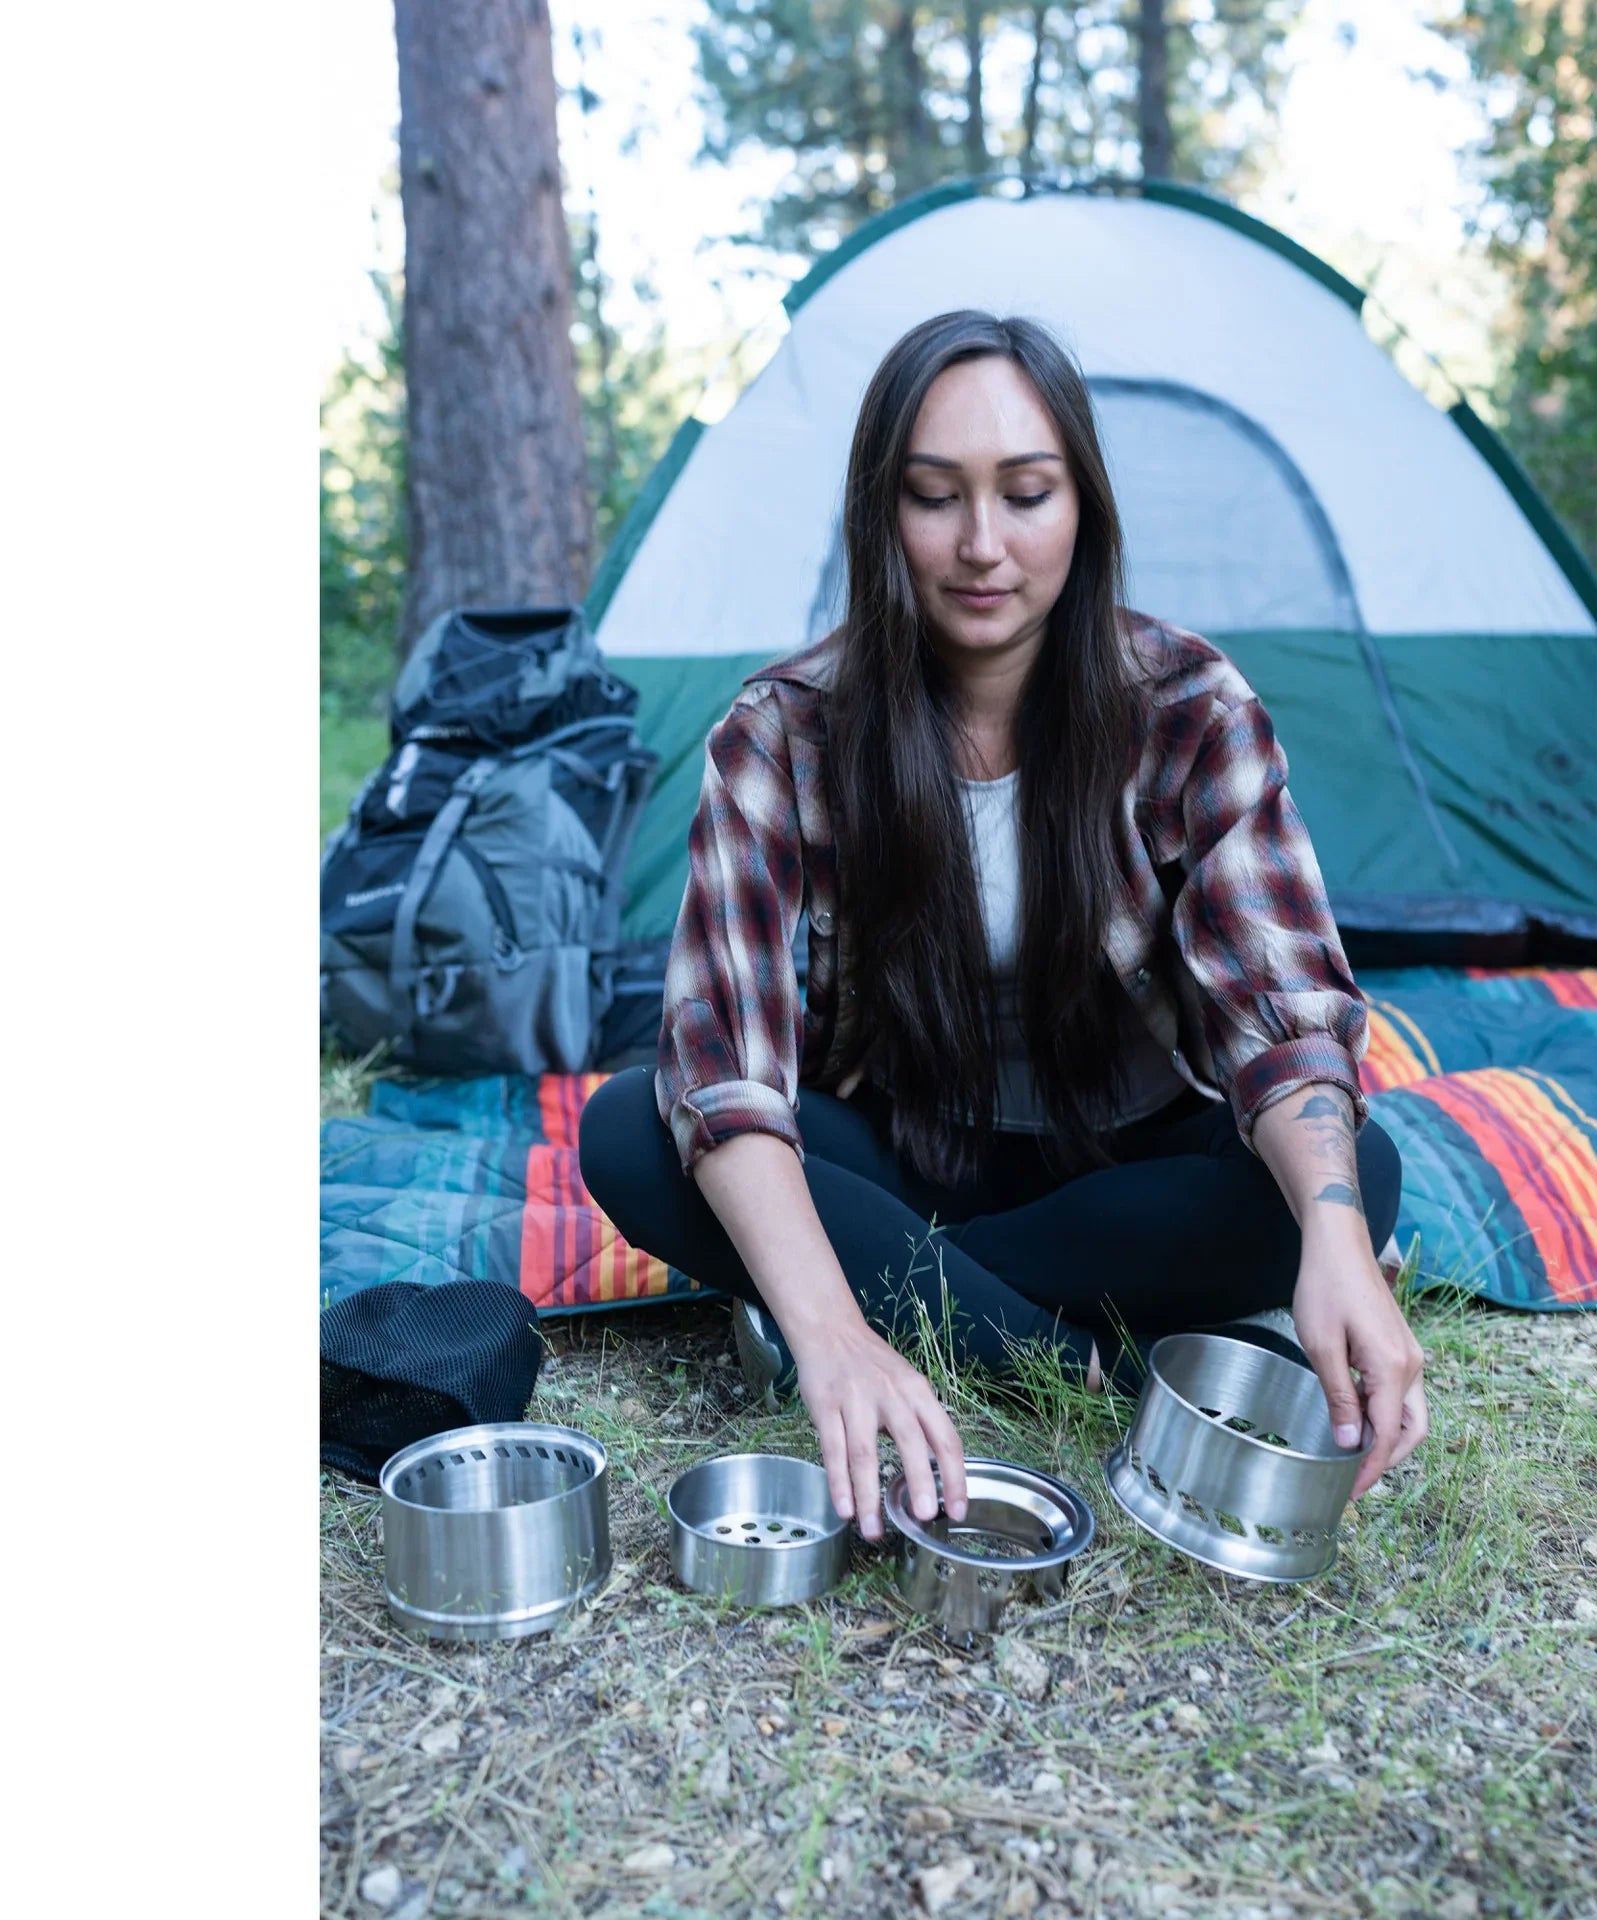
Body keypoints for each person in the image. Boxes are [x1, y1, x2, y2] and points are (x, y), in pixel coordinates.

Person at [579, 310, 1427, 1548]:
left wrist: (1340, 1243)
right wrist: (831, 1335)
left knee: (1359, 1178)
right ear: (885, 515)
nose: (983, 546)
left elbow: (1284, 1015)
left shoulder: (1193, 709)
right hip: (901, 1142)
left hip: (1124, 1155)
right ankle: (1074, 1361)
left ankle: (884, 1281)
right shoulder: (782, 731)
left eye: (1026, 494)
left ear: (1083, 508)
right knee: (633, 1131)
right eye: (935, 498)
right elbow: (727, 1065)